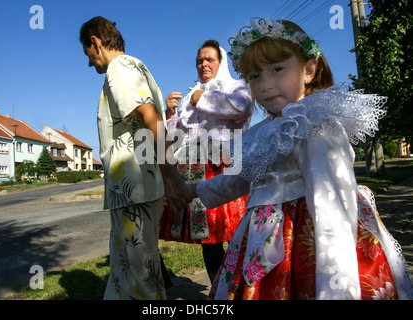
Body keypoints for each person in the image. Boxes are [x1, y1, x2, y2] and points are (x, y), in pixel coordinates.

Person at [188, 18, 412, 300]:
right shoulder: (263, 131)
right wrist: (195, 190)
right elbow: (243, 177)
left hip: (305, 241)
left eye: (278, 69)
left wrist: (337, 290)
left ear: (309, 69)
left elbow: (332, 204)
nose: (266, 84)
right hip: (260, 238)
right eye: (255, 76)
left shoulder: (314, 124)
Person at [79, 16, 191, 300]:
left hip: (135, 189)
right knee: (129, 273)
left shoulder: (120, 67)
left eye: (88, 55)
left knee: (139, 278)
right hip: (133, 190)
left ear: (95, 42)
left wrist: (171, 176)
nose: (90, 63)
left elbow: (151, 117)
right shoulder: (132, 66)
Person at [159, 40, 253, 283]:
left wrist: (203, 98)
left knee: (237, 233)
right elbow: (175, 135)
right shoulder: (191, 93)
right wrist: (170, 113)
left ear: (220, 62)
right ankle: (219, 292)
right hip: (196, 168)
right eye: (200, 60)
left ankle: (246, 287)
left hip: (226, 167)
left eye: (209, 59)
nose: (203, 64)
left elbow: (241, 108)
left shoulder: (236, 86)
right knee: (210, 239)